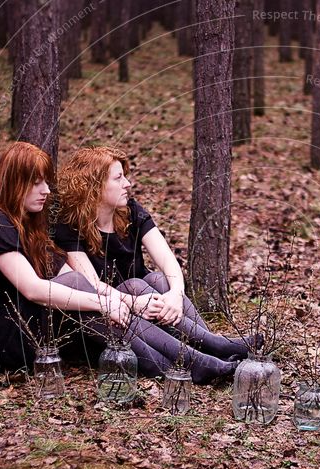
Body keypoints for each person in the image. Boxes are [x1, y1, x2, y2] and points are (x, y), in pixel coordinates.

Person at [55, 146, 257, 383]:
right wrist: (133, 302)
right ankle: (208, 353)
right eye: (119, 178)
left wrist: (175, 294)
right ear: (94, 185)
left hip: (150, 309)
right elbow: (91, 283)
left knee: (158, 280)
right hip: (108, 321)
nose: (128, 183)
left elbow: (166, 259)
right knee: (134, 285)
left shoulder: (131, 211)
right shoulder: (69, 227)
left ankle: (211, 349)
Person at [0, 142, 133, 373]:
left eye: (46, 182)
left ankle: (174, 354)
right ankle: (159, 361)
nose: (47, 191)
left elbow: (79, 280)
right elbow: (33, 290)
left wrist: (128, 302)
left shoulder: (29, 226)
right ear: (15, 184)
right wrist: (103, 304)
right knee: (75, 289)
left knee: (124, 289)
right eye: (36, 183)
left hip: (22, 323)